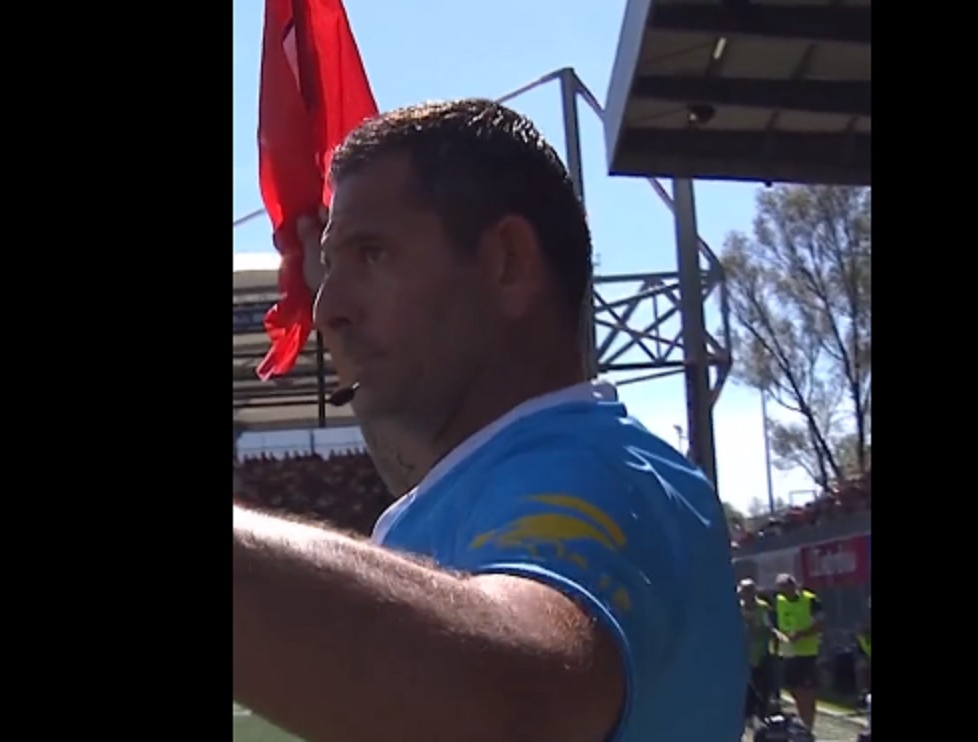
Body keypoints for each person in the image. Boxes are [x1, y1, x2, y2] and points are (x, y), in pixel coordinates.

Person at [232, 99, 745, 742]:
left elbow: (516, 697)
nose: (328, 307)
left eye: (372, 254)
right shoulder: (491, 484)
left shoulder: (601, 472)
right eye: (331, 268)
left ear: (506, 261)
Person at [772, 573, 824, 732]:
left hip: (807, 652)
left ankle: (808, 726)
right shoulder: (778, 602)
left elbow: (820, 624)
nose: (784, 593)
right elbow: (774, 624)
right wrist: (779, 636)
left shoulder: (810, 600)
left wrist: (802, 634)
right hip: (788, 653)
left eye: (786, 588)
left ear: (794, 586)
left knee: (807, 692)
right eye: (781, 590)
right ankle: (803, 721)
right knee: (794, 690)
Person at [739, 578, 774, 727]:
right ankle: (746, 716)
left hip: (760, 654)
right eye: (745, 591)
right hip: (741, 656)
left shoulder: (763, 608)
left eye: (750, 590)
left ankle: (761, 715)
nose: (747, 594)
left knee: (762, 688)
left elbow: (769, 629)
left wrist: (753, 627)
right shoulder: (736, 608)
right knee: (744, 688)